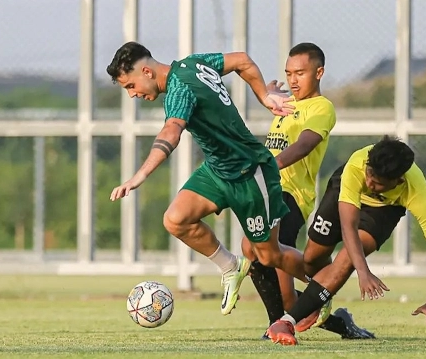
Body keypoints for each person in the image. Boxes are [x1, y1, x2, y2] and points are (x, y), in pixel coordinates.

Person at [106, 42, 311, 316]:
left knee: (269, 255)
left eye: (131, 86)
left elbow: (170, 132)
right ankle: (231, 266)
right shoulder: (194, 63)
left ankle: (321, 287)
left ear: (146, 71)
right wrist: (263, 95)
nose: (132, 94)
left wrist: (138, 176)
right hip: (217, 169)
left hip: (249, 172)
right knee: (175, 219)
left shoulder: (179, 90)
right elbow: (241, 60)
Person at [241, 42, 373, 340]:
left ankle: (281, 322)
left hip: (291, 196)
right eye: (289, 73)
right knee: (258, 259)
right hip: (266, 191)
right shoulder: (287, 103)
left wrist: (269, 167)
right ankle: (328, 316)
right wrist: (269, 91)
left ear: (319, 72)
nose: (293, 80)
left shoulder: (321, 107)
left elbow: (304, 145)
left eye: (300, 73)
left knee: (270, 257)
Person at [266, 136, 426, 345]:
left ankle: (286, 322)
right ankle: (321, 295)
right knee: (311, 260)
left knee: (348, 257)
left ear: (398, 181)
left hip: (384, 209)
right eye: (370, 174)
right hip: (342, 190)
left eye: (378, 183)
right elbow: (349, 227)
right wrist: (363, 273)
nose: (369, 182)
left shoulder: (415, 189)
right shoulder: (357, 166)